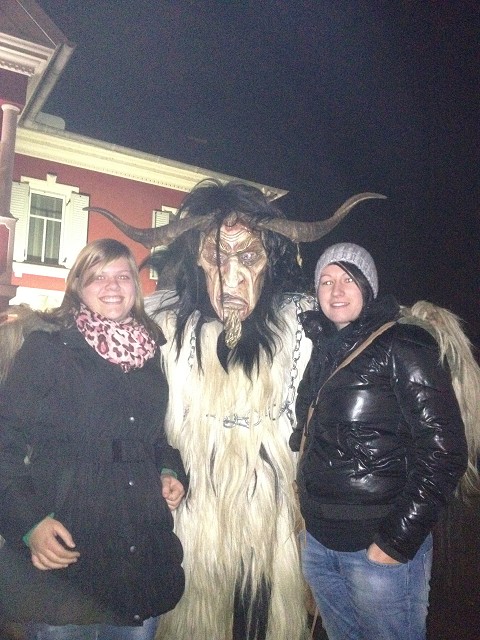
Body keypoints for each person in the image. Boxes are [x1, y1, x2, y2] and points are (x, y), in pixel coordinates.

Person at [91, 180, 385, 640]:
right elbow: (131, 417)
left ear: (270, 261)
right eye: (215, 257)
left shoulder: (303, 326)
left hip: (272, 506)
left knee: (264, 608)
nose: (231, 278)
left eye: (248, 256)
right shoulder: (160, 331)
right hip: (191, 497)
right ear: (196, 261)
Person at [0, 239, 187, 640]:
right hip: (68, 554)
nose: (112, 286)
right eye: (98, 277)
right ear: (78, 287)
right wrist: (29, 523)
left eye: (123, 276)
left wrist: (170, 471)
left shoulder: (150, 355)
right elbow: (4, 439)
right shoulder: (49, 348)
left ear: (136, 286)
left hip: (138, 555)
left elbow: (155, 437)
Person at [292, 242, 468, 640]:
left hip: (376, 546)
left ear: (368, 286)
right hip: (320, 543)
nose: (336, 290)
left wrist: (395, 541)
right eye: (326, 281)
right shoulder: (323, 351)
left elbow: (445, 451)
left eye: (348, 279)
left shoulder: (403, 344)